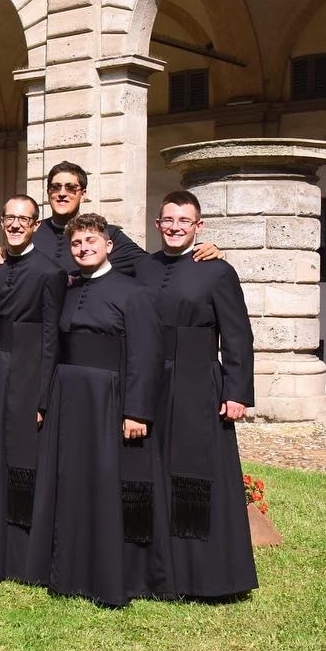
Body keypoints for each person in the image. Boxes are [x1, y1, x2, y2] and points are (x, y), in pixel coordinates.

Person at [28, 213, 172, 606]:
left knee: (108, 483)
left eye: (90, 241)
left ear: (108, 245)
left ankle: (111, 575)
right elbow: (52, 348)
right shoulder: (67, 289)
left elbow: (147, 354)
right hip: (69, 400)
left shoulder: (134, 292)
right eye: (76, 243)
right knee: (71, 482)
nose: (83, 248)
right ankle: (68, 570)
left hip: (109, 400)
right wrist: (46, 401)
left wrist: (137, 411)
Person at [135, 191, 257, 600]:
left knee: (195, 472)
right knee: (148, 466)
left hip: (197, 379)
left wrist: (237, 391)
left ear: (198, 226)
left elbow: (237, 335)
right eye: (168, 220)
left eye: (184, 221)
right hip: (150, 378)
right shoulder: (141, 267)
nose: (175, 227)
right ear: (157, 224)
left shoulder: (218, 271)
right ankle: (151, 570)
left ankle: (202, 575)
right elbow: (89, 245)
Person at [0, 195, 66, 582]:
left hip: (29, 370)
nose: (15, 225)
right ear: (1, 222)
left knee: (24, 459)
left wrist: (43, 396)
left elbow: (51, 338)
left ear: (35, 225)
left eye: (23, 219)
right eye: (9, 218)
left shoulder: (50, 271)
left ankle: (21, 555)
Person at [0, 161, 220, 274]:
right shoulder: (32, 231)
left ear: (83, 194)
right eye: (56, 187)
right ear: (48, 193)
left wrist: (198, 251)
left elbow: (151, 265)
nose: (62, 193)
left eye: (71, 188)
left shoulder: (107, 234)